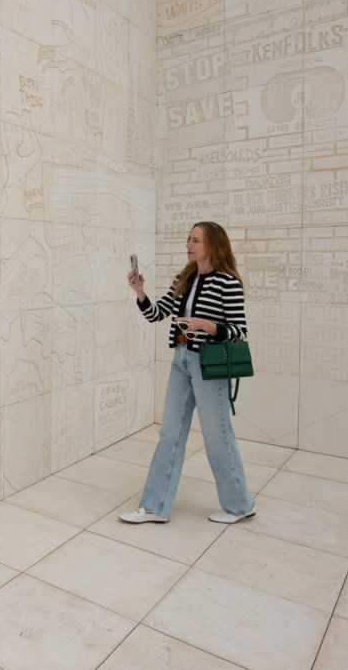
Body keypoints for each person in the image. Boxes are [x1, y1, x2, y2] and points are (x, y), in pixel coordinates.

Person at [119, 222, 256, 525]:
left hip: (208, 365)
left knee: (217, 437)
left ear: (213, 246)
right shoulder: (185, 278)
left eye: (195, 240)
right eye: (189, 239)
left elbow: (238, 331)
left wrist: (205, 325)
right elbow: (156, 314)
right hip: (181, 360)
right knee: (170, 432)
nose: (189, 245)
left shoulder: (227, 282)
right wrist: (140, 292)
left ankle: (239, 504)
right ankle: (154, 507)